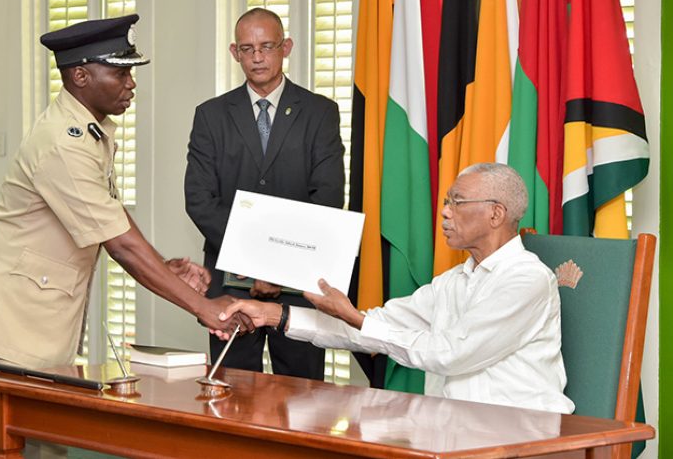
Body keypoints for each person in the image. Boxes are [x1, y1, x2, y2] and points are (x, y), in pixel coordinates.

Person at [0, 14, 251, 458]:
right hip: (6, 316)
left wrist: (163, 266)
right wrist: (205, 307)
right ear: (81, 75)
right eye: (120, 72)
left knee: (47, 443)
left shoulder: (89, 132)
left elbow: (111, 215)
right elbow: (118, 243)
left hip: (36, 313)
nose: (131, 84)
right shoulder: (63, 143)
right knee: (18, 445)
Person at [218, 163, 575, 414]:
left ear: (496, 214)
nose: (445, 213)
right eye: (447, 202)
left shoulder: (526, 279)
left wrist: (358, 320)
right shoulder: (453, 281)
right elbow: (373, 327)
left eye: (457, 202)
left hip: (519, 432)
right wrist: (275, 315)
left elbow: (451, 353)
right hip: (454, 428)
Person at [184, 8, 345, 380]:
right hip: (231, 282)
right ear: (234, 52)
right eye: (247, 48)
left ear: (285, 47)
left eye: (267, 46)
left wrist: (279, 269)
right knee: (232, 393)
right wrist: (255, 264)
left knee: (303, 397)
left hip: (299, 284)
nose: (257, 57)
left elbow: (328, 197)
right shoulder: (210, 115)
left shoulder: (320, 112)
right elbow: (199, 199)